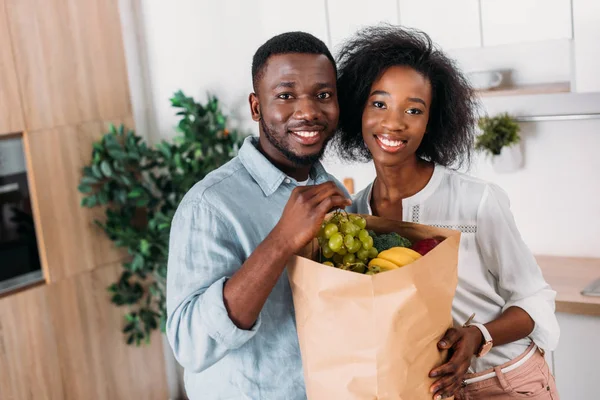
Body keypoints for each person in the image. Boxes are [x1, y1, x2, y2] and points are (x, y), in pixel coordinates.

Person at [335, 25, 560, 400]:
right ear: (358, 108)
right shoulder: (356, 215)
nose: (393, 122)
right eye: (379, 104)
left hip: (506, 383)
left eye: (413, 109)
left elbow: (535, 299)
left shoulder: (477, 200)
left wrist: (478, 336)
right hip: (429, 392)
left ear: (430, 122)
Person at [165, 31, 351, 399]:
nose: (309, 111)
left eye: (323, 95)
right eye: (285, 95)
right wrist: (282, 241)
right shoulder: (209, 205)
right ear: (256, 108)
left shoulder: (332, 192)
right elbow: (191, 345)